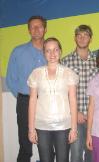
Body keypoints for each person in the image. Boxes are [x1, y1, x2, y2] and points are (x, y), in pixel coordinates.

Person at [27, 37, 78, 162]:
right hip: (42, 125)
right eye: (48, 50)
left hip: (63, 126)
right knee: (45, 159)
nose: (52, 54)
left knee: (63, 159)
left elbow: (73, 100)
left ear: (60, 51)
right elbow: (32, 101)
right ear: (44, 53)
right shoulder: (36, 73)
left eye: (55, 50)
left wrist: (74, 128)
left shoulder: (68, 73)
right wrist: (31, 129)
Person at [6, 15, 47, 162]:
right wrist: (24, 97)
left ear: (45, 29)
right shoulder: (18, 51)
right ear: (29, 30)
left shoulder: (51, 52)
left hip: (46, 104)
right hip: (25, 103)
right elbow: (11, 80)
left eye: (40, 26)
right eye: (33, 27)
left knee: (47, 146)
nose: (36, 29)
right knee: (25, 146)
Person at [61, 24, 99, 162]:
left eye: (86, 35)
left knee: (92, 154)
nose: (82, 38)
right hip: (74, 118)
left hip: (95, 117)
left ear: (90, 38)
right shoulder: (65, 62)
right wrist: (75, 113)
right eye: (79, 35)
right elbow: (62, 91)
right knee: (76, 154)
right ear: (75, 38)